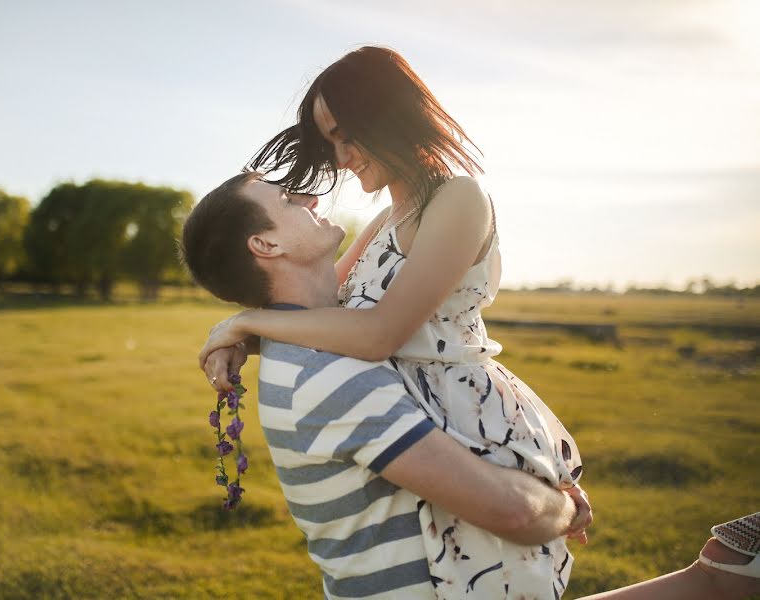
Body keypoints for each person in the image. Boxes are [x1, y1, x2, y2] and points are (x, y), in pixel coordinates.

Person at [185, 172, 759, 600]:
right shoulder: (326, 370)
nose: (309, 196)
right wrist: (563, 505)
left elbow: (398, 222)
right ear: (266, 246)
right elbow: (512, 514)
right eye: (287, 200)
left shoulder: (323, 337)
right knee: (713, 589)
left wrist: (243, 326)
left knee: (715, 583)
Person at [198, 46, 583, 598]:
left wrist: (247, 322)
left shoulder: (458, 199)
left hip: (467, 421)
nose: (341, 155)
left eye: (347, 134)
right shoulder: (385, 217)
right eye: (329, 140)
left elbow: (380, 333)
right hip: (418, 418)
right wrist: (249, 336)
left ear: (391, 115)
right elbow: (328, 314)